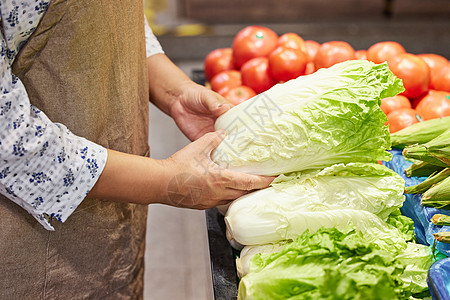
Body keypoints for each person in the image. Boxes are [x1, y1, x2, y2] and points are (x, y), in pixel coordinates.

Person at [0, 1, 273, 299]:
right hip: (30, 241)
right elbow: (9, 137)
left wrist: (175, 91)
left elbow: (113, 22)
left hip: (111, 225)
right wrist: (166, 181)